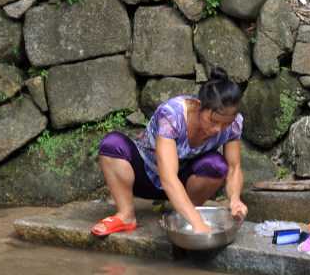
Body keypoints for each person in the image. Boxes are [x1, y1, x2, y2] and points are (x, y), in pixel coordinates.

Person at [91, 66, 248, 236]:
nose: (218, 128)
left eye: (225, 124)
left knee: (217, 166)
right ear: (198, 106)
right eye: (213, 120)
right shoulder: (171, 115)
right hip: (144, 177)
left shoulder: (233, 124)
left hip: (185, 182)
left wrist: (235, 199)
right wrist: (198, 223)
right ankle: (126, 214)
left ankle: (183, 212)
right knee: (112, 144)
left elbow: (234, 168)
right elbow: (168, 177)